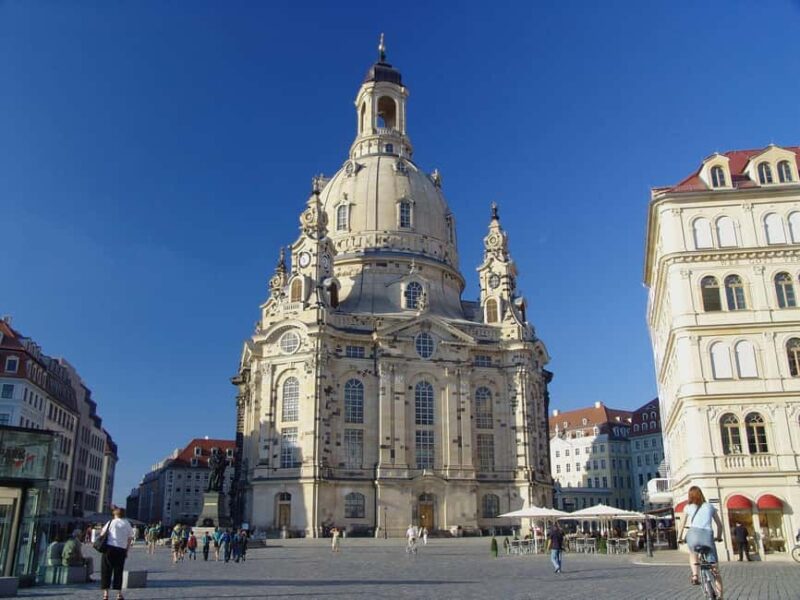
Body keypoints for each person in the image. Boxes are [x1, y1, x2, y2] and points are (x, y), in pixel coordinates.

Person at [677, 486, 724, 599]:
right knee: (715, 569)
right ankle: (721, 596)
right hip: (707, 536)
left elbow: (682, 524)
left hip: (693, 534)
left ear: (690, 496)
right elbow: (719, 525)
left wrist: (679, 538)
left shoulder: (687, 507)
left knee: (693, 553)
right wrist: (718, 537)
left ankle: (695, 575)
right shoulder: (709, 506)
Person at [100, 507, 134, 600]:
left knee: (106, 570)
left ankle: (106, 594)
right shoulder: (127, 523)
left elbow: (102, 534)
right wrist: (126, 550)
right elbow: (130, 538)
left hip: (109, 548)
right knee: (118, 572)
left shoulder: (111, 522)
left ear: (115, 514)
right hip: (121, 550)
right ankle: (119, 594)